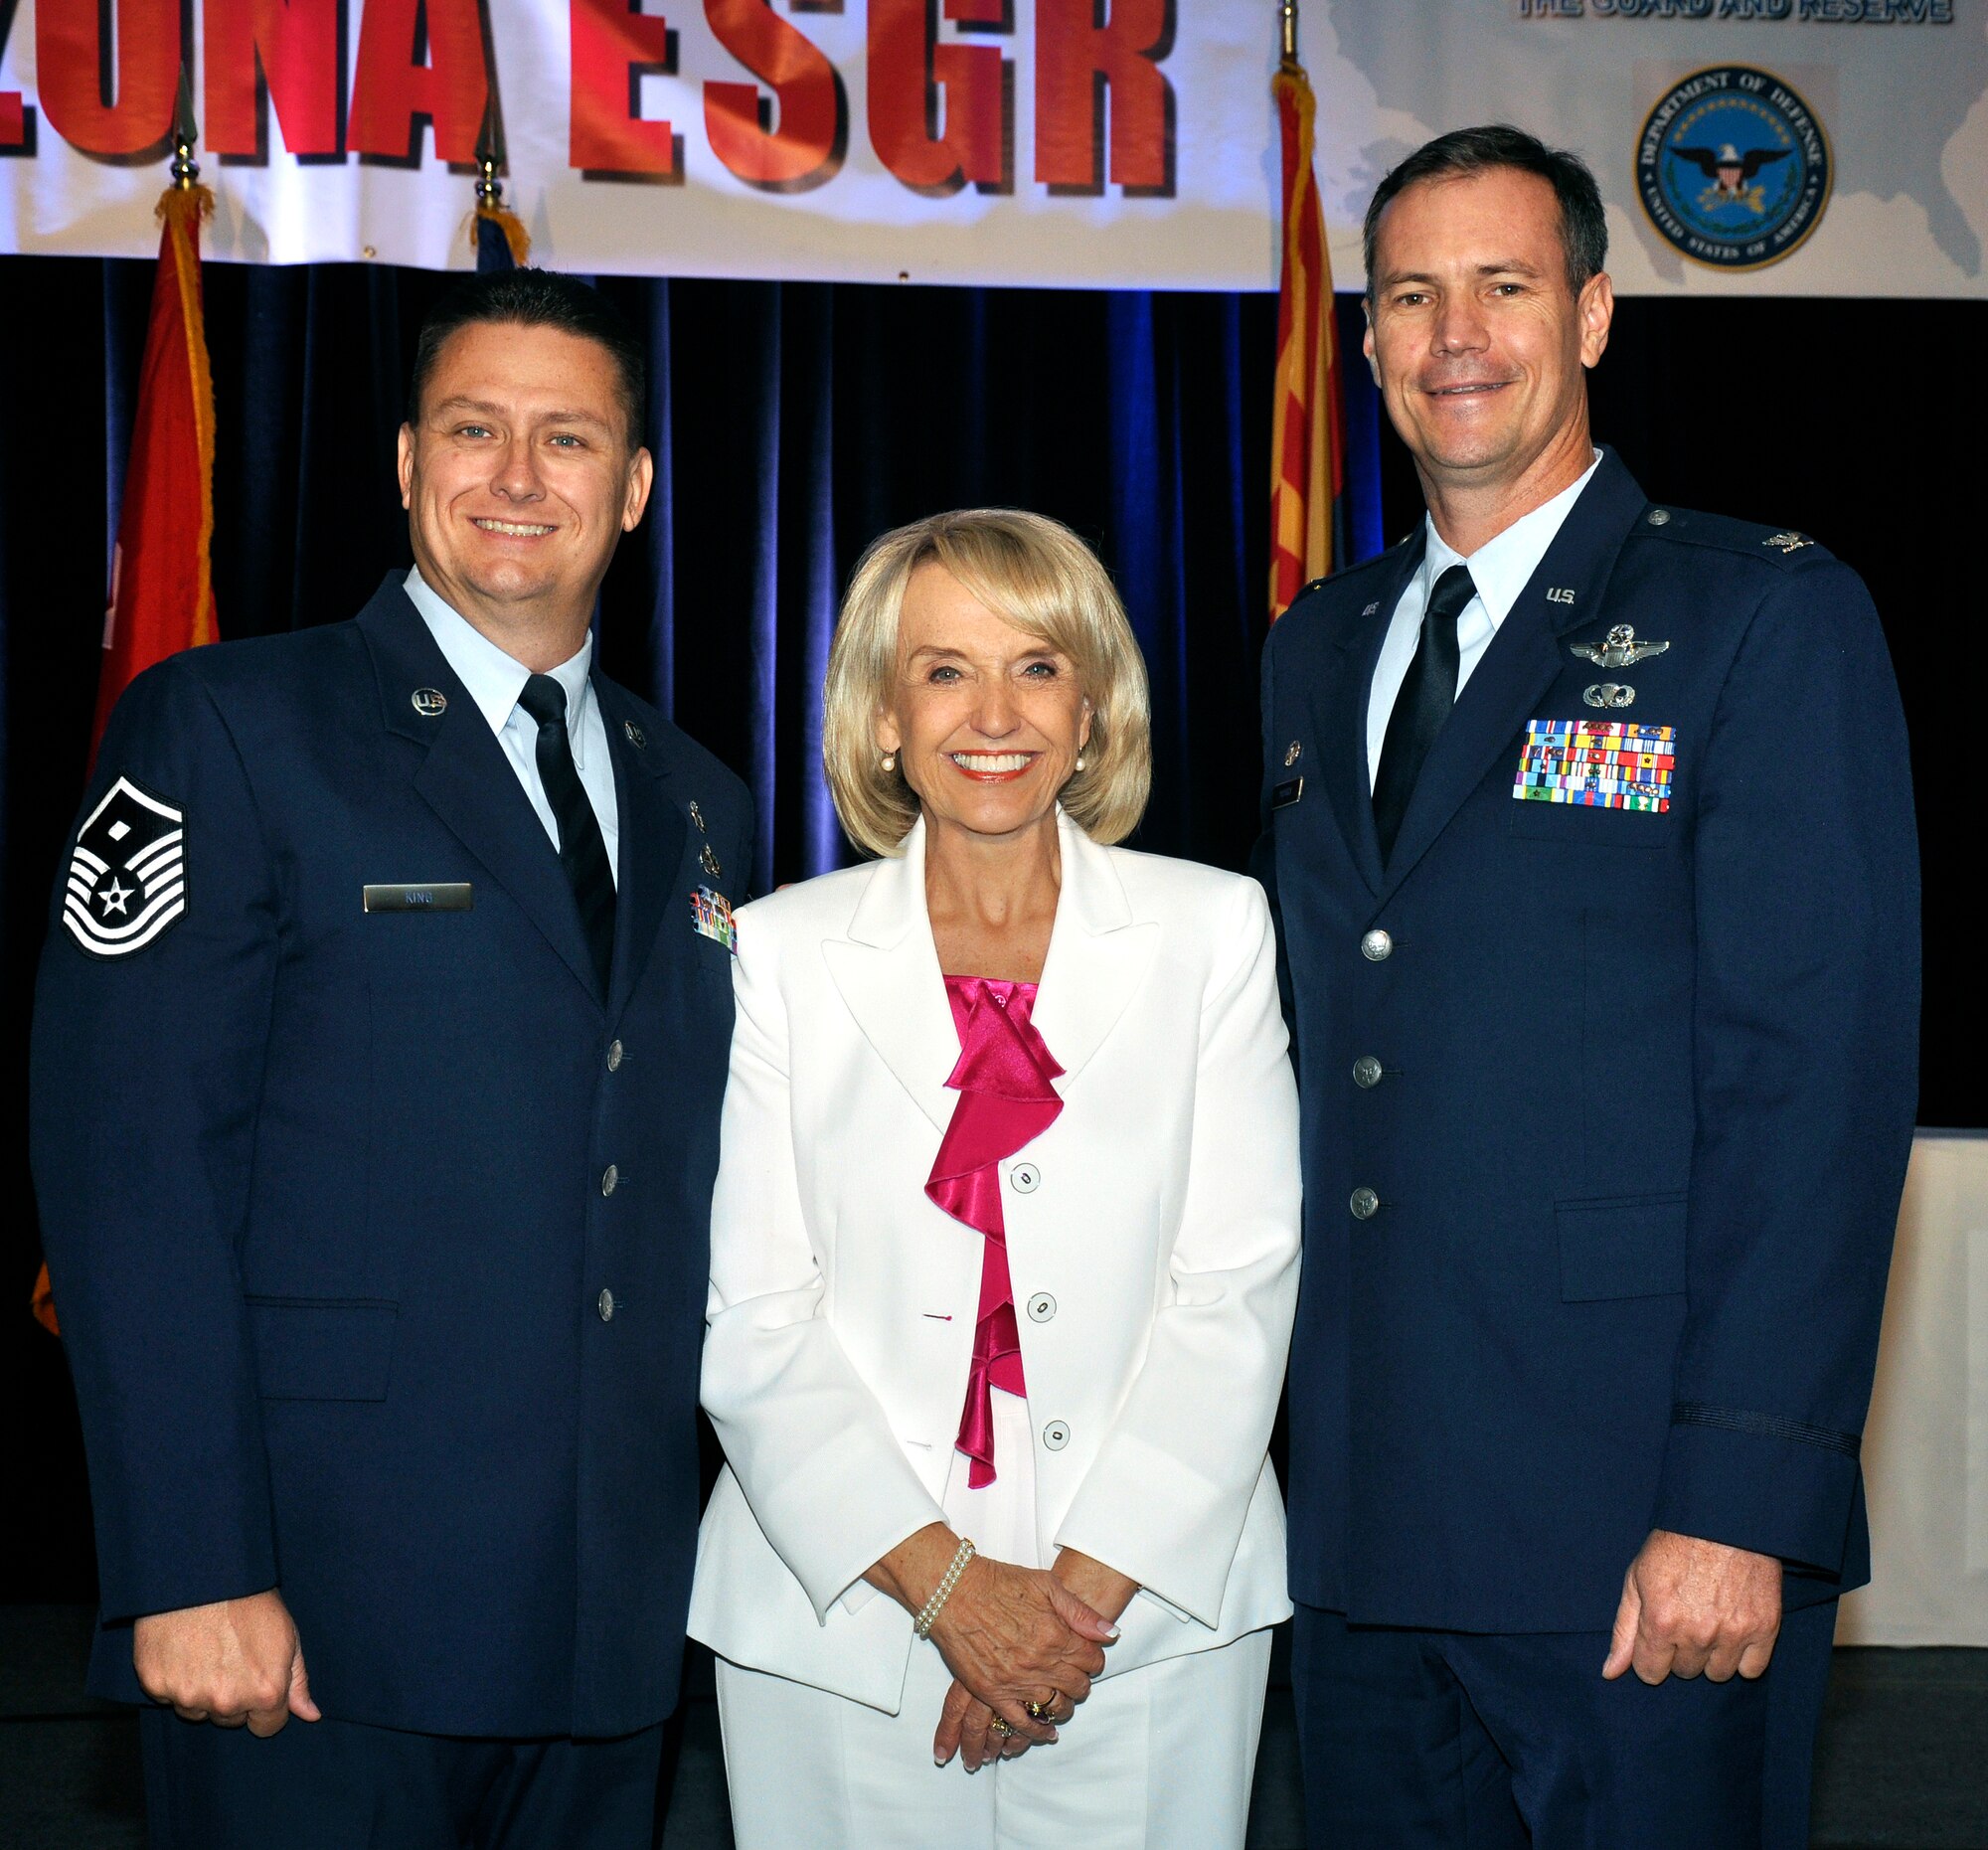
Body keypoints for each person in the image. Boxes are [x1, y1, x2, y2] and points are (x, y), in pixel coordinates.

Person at [30, 268, 753, 1848]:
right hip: (311, 1619)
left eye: (566, 438)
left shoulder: (699, 795)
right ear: (408, 463)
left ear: (632, 488)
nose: (516, 476)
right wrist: (191, 1561)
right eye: (473, 428)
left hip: (601, 1624)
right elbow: (132, 1174)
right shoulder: (229, 725)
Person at [1258, 126, 1918, 1848]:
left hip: (1632, 1530)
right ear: (1375, 339)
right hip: (1360, 1518)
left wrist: (1738, 1497)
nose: (1455, 332)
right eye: (1411, 295)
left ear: (1597, 314)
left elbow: (1814, 1096)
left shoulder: (1757, 620)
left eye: (1504, 285)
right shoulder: (1314, 646)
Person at [688, 509, 1301, 1848]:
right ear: (883, 716)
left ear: (1091, 710)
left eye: (1037, 664)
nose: (995, 710)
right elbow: (755, 1318)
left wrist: (1065, 1613)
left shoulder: (1214, 931)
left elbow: (1238, 1291)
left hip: (1149, 1627)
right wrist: (955, 1595)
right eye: (944, 667)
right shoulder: (775, 954)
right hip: (841, 1621)